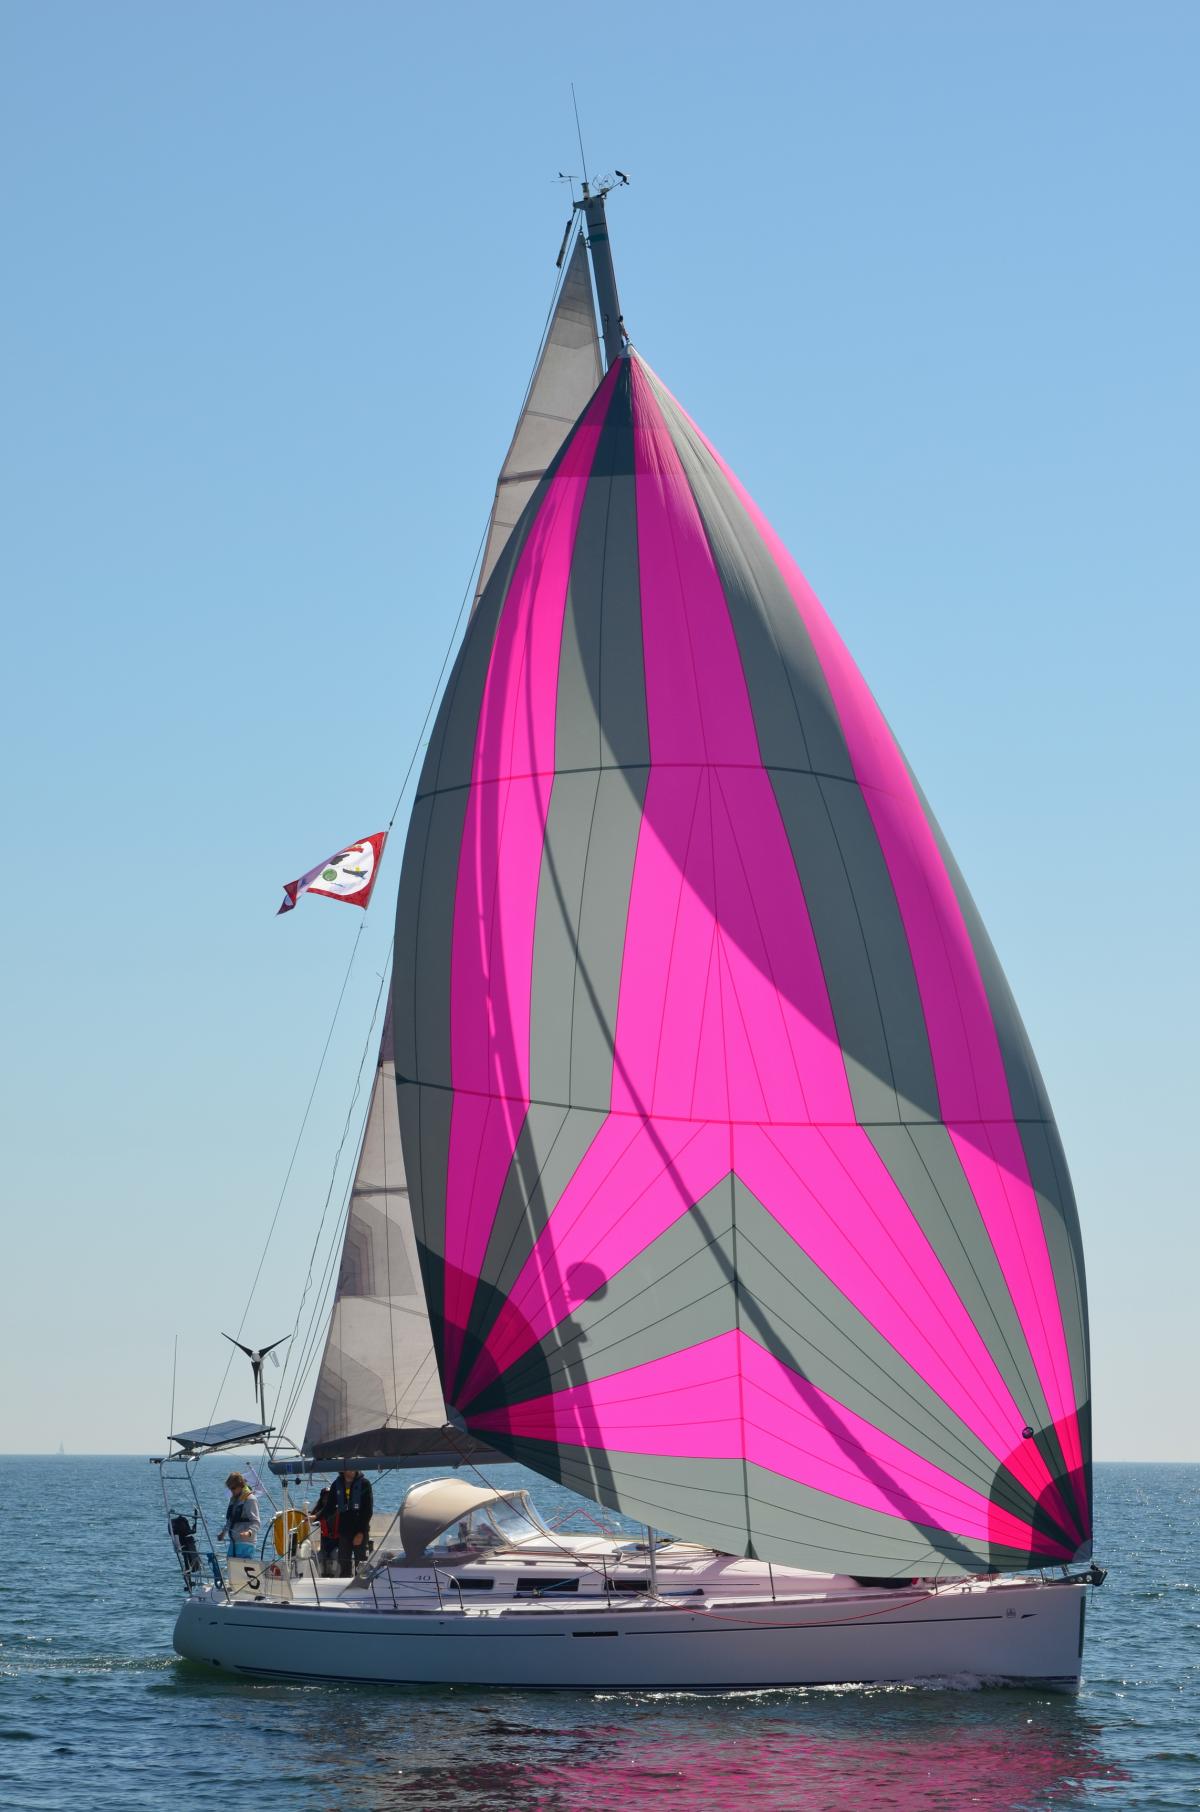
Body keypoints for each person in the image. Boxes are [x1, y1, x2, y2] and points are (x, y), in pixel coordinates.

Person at [331, 1467, 373, 1578]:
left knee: (361, 1563)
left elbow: (368, 1511)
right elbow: (329, 1507)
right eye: (348, 1468)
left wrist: (360, 1532)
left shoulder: (364, 1483)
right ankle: (345, 1582)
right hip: (344, 1531)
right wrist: (316, 1516)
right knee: (343, 1563)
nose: (351, 1471)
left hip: (360, 1530)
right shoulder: (337, 1484)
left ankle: (361, 1584)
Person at [220, 1471, 261, 1559]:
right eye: (230, 1488)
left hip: (246, 1544)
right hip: (233, 1543)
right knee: (231, 1565)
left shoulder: (250, 1499)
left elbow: (256, 1522)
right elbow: (230, 1520)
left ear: (240, 1485)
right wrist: (223, 1532)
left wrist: (248, 1532)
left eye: (233, 1488)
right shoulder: (233, 1500)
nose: (232, 1491)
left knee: (242, 1566)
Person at [312, 1484, 339, 1578]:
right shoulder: (316, 1514)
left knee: (338, 1555)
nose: (327, 1500)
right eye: (325, 1498)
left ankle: (336, 1578)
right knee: (316, 1557)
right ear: (321, 1499)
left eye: (329, 1497)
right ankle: (318, 1578)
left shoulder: (339, 1511)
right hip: (321, 1545)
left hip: (335, 1544)